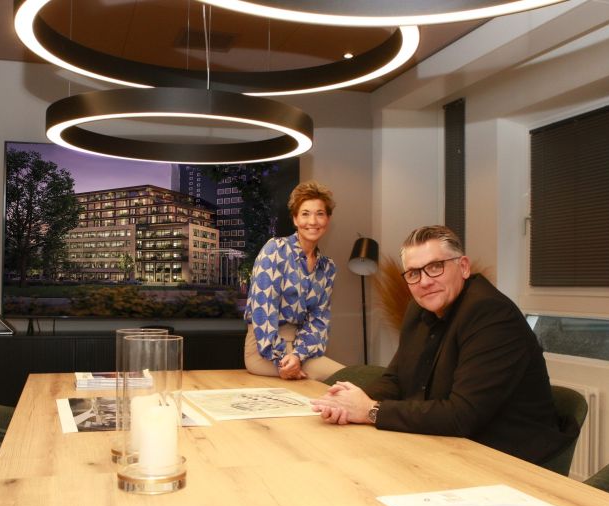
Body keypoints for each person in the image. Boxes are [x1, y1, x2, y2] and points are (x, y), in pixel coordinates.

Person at [311, 225, 578, 464]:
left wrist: (370, 410)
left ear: (463, 267)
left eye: (435, 267)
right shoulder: (418, 309)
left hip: (509, 460)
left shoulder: (491, 314)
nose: (425, 281)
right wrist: (351, 401)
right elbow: (397, 379)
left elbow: (462, 415)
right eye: (414, 273)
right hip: (449, 446)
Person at [243, 180, 345, 381]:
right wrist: (282, 359)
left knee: (348, 378)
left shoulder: (327, 268)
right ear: (295, 219)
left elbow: (318, 320)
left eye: (320, 214)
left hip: (301, 352)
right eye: (305, 214)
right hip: (264, 351)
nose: (312, 221)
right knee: (341, 380)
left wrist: (298, 355)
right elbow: (263, 310)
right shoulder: (275, 250)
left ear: (328, 219)